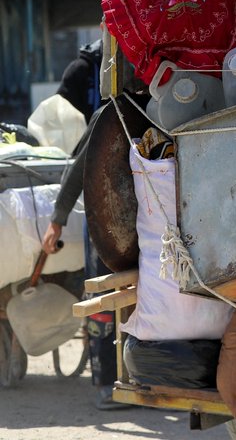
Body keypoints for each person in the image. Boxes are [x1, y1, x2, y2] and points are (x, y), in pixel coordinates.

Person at [40, 40, 134, 411]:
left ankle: (138, 375)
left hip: (141, 226)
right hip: (105, 223)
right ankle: (106, 384)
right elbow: (78, 170)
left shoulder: (152, 110)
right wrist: (57, 222)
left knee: (136, 302)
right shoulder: (109, 115)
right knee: (103, 303)